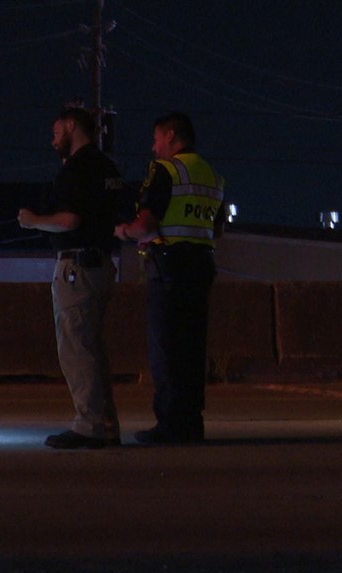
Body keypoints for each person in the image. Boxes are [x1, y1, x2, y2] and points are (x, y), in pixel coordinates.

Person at [114, 112, 226, 444]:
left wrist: (123, 231)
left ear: (172, 136)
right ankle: (191, 422)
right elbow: (216, 229)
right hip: (201, 266)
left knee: (166, 349)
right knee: (192, 350)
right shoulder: (211, 175)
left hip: (170, 269)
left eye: (156, 139)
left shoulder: (166, 171)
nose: (153, 147)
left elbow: (146, 224)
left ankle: (170, 425)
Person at [18, 107, 123, 449]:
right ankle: (105, 423)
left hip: (77, 267)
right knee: (92, 347)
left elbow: (68, 221)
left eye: (56, 130)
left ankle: (90, 425)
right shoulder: (108, 167)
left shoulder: (76, 169)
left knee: (76, 347)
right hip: (104, 264)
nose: (53, 139)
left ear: (71, 126)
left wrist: (33, 220)